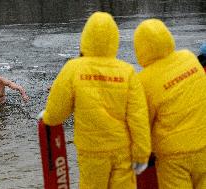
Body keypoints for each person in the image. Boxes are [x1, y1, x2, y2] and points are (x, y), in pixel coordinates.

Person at [39, 12, 151, 189]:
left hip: (91, 151)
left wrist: (48, 117)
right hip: (122, 149)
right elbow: (138, 118)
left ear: (86, 37)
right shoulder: (127, 72)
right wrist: (142, 155)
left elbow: (57, 111)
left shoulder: (73, 68)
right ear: (115, 38)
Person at [134, 19, 206, 189]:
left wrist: (140, 157)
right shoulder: (189, 58)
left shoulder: (143, 81)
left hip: (173, 158)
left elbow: (143, 124)